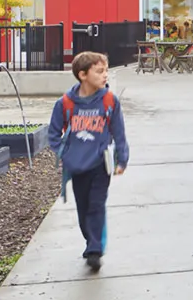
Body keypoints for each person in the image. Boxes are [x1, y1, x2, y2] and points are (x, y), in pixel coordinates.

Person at [47, 51, 129, 273]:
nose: (105, 75)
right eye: (100, 71)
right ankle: (90, 241)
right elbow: (53, 134)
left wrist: (122, 159)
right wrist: (66, 155)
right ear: (82, 75)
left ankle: (95, 249)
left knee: (96, 205)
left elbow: (119, 133)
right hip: (77, 166)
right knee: (83, 208)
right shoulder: (65, 103)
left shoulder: (110, 101)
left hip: (101, 165)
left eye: (106, 71)